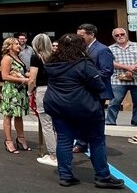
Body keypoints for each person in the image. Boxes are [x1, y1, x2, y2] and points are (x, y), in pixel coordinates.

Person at [44, 33, 124, 188]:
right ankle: (103, 176)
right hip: (84, 107)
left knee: (64, 140)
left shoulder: (51, 64)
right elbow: (99, 85)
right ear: (80, 47)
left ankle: (66, 176)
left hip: (57, 106)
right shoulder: (84, 64)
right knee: (96, 140)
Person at [73, 23, 115, 153]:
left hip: (96, 90)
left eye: (82, 35)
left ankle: (97, 143)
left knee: (96, 119)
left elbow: (107, 71)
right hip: (83, 91)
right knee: (81, 117)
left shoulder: (102, 50)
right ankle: (81, 143)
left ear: (91, 35)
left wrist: (88, 77)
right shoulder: (82, 49)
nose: (79, 38)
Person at [28, 33, 57, 167]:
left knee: (46, 124)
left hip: (43, 90)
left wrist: (29, 92)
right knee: (57, 124)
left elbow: (32, 78)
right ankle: (62, 152)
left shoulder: (36, 57)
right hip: (57, 90)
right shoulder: (55, 56)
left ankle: (53, 155)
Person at [0, 37, 31, 154]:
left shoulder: (19, 58)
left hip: (20, 91)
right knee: (8, 115)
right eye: (16, 44)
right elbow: (5, 76)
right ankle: (8, 141)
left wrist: (30, 75)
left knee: (19, 115)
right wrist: (23, 80)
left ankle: (21, 138)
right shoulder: (7, 59)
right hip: (11, 91)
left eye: (19, 43)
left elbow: (22, 72)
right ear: (9, 46)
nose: (19, 45)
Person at [106, 28, 137, 126]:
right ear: (114, 37)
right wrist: (128, 68)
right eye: (117, 35)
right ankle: (110, 123)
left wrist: (135, 67)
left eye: (122, 34)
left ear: (126, 34)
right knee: (114, 103)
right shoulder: (110, 48)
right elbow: (109, 62)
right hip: (118, 81)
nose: (120, 36)